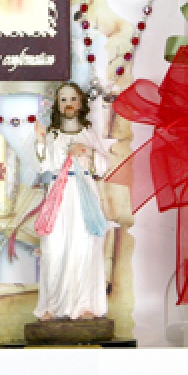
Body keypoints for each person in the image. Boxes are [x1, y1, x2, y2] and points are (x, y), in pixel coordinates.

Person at [32, 82, 112, 321]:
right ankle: (51, 305)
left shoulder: (88, 133)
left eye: (73, 99)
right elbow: (43, 166)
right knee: (53, 248)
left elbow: (102, 166)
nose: (68, 104)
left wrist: (85, 151)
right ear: (58, 105)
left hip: (83, 194)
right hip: (59, 195)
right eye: (63, 100)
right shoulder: (53, 135)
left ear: (80, 103)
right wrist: (40, 141)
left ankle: (85, 304)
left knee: (85, 246)